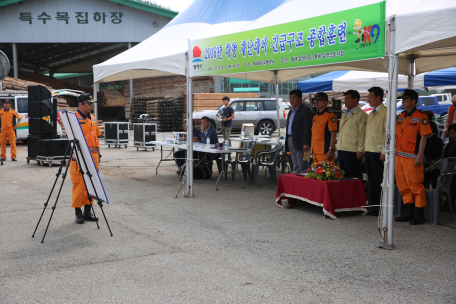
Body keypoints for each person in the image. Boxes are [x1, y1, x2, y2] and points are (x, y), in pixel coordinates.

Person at [394, 89, 432, 225]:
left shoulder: (421, 116)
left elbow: (423, 138)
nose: (402, 101)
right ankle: (409, 212)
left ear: (413, 101)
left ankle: (419, 214)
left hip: (412, 158)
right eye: (402, 99)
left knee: (416, 186)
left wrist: (419, 156)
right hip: (399, 158)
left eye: (405, 99)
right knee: (403, 186)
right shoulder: (401, 116)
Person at [70, 93, 101, 224]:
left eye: (92, 103)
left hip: (93, 155)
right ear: (81, 104)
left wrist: (99, 154)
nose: (91, 106)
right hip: (79, 155)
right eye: (89, 104)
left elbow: (97, 137)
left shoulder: (93, 118)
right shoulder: (73, 118)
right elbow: (69, 138)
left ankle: (88, 212)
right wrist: (73, 152)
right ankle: (78, 213)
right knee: (79, 184)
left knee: (92, 183)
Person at [364, 87, 387, 216]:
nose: (368, 99)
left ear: (378, 97)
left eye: (370, 96)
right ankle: (373, 206)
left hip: (378, 152)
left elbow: (387, 134)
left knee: (379, 180)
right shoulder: (371, 113)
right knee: (371, 179)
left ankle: (380, 207)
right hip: (368, 150)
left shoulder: (385, 112)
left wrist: (384, 151)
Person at [336, 90, 367, 180]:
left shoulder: (362, 115)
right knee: (343, 176)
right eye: (345, 99)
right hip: (342, 148)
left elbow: (363, 133)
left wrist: (361, 150)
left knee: (354, 176)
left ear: (355, 99)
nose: (345, 101)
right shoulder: (344, 113)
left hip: (353, 150)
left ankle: (357, 194)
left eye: (348, 99)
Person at [285, 89, 313, 173]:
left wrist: (306, 142)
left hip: (300, 141)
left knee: (302, 165)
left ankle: (303, 183)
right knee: (295, 164)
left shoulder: (305, 110)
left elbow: (307, 128)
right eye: (290, 98)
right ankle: (297, 181)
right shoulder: (291, 111)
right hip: (290, 139)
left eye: (294, 98)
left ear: (300, 99)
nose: (291, 100)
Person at [311, 92, 337, 163]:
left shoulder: (330, 115)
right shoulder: (315, 117)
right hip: (315, 151)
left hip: (324, 152)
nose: (317, 102)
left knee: (325, 173)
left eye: (319, 100)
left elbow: (333, 134)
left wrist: (331, 149)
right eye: (315, 101)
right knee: (315, 173)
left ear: (326, 102)